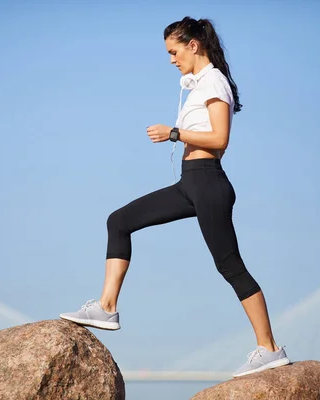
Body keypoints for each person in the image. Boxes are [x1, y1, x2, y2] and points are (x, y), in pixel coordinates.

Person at [60, 16, 291, 377]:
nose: (171, 59)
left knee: (230, 267)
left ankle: (269, 349)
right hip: (189, 184)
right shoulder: (198, 85)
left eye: (174, 51)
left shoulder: (214, 82)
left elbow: (220, 139)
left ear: (193, 45)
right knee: (119, 221)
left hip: (209, 184)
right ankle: (106, 307)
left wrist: (175, 133)